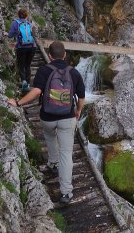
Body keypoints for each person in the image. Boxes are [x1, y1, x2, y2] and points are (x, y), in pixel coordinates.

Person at [8, 41, 85, 204]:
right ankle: (66, 193)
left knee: (50, 137)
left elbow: (36, 91)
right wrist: (78, 111)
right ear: (65, 55)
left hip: (47, 117)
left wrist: (18, 102)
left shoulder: (44, 70)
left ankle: (52, 162)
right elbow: (82, 97)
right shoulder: (74, 73)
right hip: (67, 117)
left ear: (50, 56)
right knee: (66, 153)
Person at [7, 8, 36, 93]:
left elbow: (10, 35)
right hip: (32, 47)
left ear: (18, 15)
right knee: (27, 65)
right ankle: (28, 84)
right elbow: (32, 35)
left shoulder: (15, 23)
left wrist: (8, 35)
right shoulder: (29, 23)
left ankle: (24, 84)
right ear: (26, 15)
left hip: (21, 47)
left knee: (21, 65)